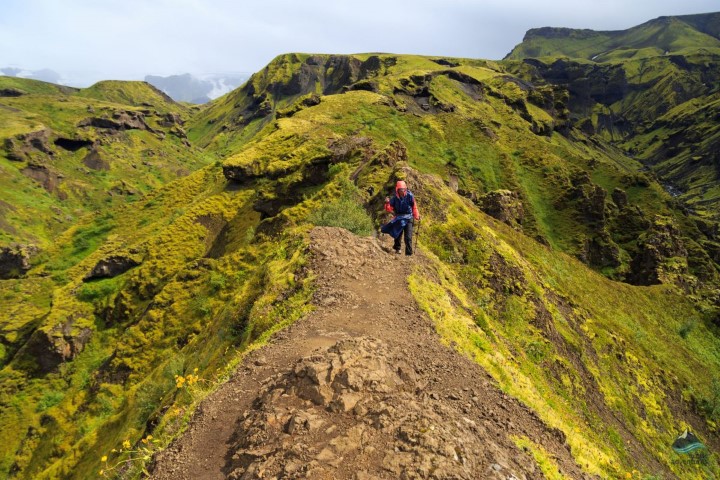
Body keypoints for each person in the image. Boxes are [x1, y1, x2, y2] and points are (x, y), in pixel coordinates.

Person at [381, 180, 420, 255]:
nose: (402, 191)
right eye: (400, 190)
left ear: (405, 189)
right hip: (399, 217)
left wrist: (416, 215)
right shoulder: (394, 198)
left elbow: (414, 206)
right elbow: (389, 209)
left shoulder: (410, 196)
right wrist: (387, 203)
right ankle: (397, 249)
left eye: (403, 189)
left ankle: (409, 253)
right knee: (397, 234)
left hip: (409, 217)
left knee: (408, 237)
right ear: (397, 190)